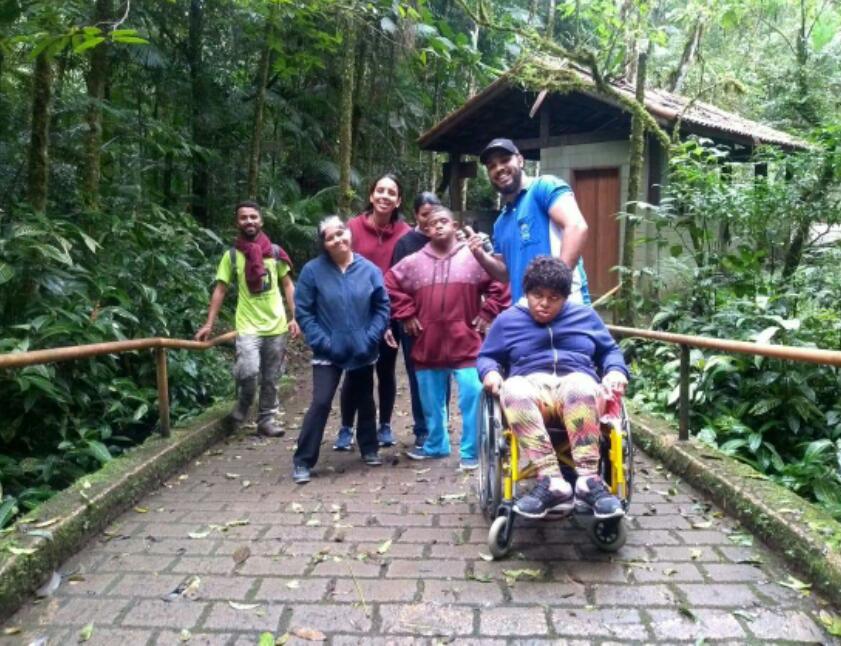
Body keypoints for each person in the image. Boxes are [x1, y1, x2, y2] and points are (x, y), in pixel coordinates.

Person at [477, 256, 628, 518]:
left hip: (577, 385)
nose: (544, 303)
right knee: (512, 388)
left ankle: (588, 480)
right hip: (531, 388)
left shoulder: (585, 317)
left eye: (554, 297)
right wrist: (489, 373)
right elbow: (487, 356)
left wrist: (615, 370)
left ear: (565, 298)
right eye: (537, 295)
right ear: (527, 293)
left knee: (580, 385)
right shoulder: (508, 321)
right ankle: (552, 481)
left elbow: (610, 351)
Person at [385, 205, 510, 470]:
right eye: (432, 223)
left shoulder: (474, 258)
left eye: (444, 221)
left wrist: (488, 312)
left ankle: (471, 452)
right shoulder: (414, 262)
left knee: (473, 396)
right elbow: (389, 284)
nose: (438, 226)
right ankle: (436, 445)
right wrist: (406, 314)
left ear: (454, 226)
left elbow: (502, 282)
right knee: (430, 402)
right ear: (426, 229)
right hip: (427, 345)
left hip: (467, 344)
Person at [292, 216, 390, 484]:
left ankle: (369, 447)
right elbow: (304, 311)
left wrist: (370, 338)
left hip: (362, 347)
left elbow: (382, 307)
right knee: (321, 401)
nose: (337, 239)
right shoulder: (312, 271)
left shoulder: (369, 269)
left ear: (349, 233)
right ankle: (303, 460)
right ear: (323, 243)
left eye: (340, 233)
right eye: (330, 237)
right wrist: (323, 342)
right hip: (328, 351)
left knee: (365, 398)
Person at [195, 200, 299, 437]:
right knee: (248, 370)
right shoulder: (232, 256)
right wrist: (209, 323)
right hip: (248, 325)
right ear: (237, 222)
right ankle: (244, 404)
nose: (249, 221)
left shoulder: (274, 253)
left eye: (253, 217)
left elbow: (287, 285)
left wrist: (295, 317)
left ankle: (266, 420)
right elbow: (220, 289)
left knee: (271, 377)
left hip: (276, 325)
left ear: (261, 220)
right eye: (244, 217)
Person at [335, 173, 411, 451]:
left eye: (391, 193)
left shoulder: (405, 233)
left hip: (390, 313)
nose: (384, 196)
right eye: (380, 190)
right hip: (356, 313)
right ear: (371, 195)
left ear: (398, 201)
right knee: (354, 371)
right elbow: (338, 266)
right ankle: (346, 427)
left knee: (386, 370)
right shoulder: (352, 228)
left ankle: (385, 425)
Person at [467, 138, 592, 305]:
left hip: (567, 305)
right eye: (492, 166)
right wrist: (481, 255)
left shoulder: (544, 186)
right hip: (527, 311)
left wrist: (556, 288)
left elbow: (576, 226)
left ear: (520, 160)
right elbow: (504, 274)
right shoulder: (500, 224)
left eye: (505, 160)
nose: (499, 168)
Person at [390, 191, 443, 449]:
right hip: (415, 324)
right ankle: (422, 429)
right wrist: (407, 314)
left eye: (435, 214)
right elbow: (394, 283)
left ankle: (440, 427)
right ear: (415, 215)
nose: (430, 220)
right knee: (418, 376)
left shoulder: (448, 239)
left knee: (443, 374)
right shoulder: (406, 243)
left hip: (444, 321)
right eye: (424, 215)